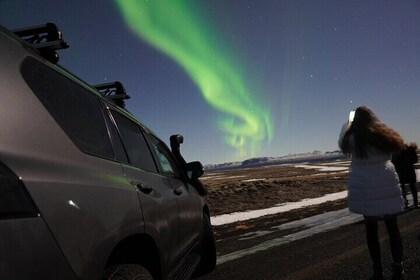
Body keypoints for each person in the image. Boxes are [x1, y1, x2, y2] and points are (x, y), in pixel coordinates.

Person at [338, 106, 405, 280]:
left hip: (365, 186)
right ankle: (398, 268)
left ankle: (378, 271)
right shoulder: (382, 136)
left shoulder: (350, 138)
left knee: (371, 230)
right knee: (393, 228)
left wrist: (348, 124)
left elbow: (341, 143)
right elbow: (398, 143)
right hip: (385, 182)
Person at [392, 143, 418, 208]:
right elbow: (415, 160)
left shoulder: (396, 152)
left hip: (401, 172)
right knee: (412, 187)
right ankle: (415, 204)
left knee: (403, 188)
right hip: (409, 171)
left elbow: (394, 162)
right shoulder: (410, 150)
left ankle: (406, 204)